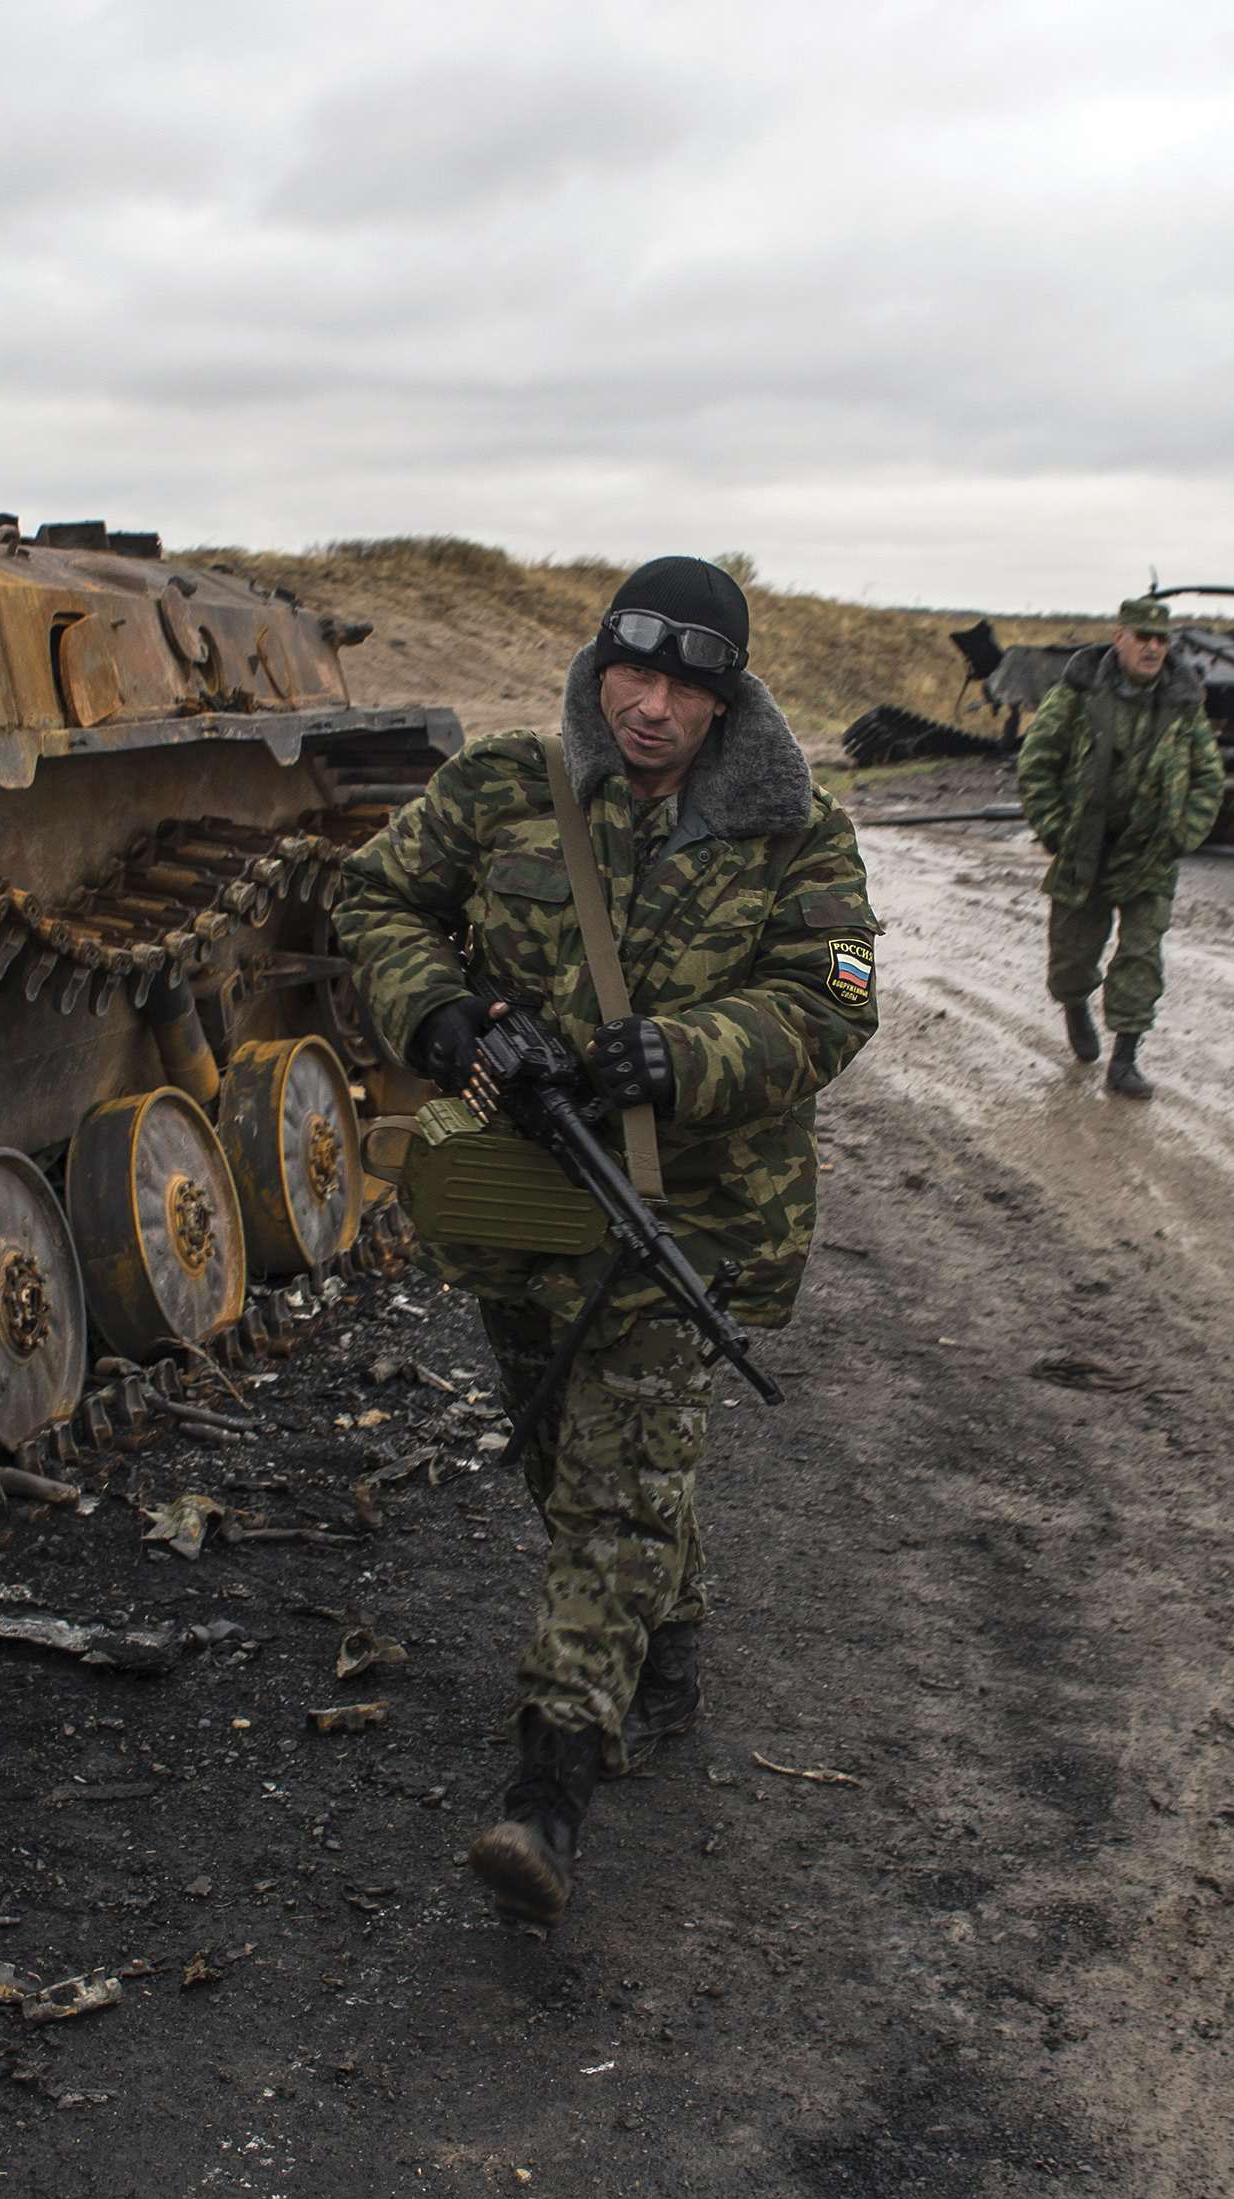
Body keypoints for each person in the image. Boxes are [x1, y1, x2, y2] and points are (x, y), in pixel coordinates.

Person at [328, 556, 880, 1924]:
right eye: (632, 677)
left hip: (682, 1210)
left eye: (685, 689)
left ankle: (553, 1782)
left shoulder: (797, 830)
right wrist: (445, 1018)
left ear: (725, 701)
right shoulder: (508, 788)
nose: (650, 708)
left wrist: (685, 1053)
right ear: (598, 669)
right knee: (556, 1443)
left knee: (625, 1472)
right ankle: (666, 1633)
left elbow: (834, 1000)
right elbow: (371, 901)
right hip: (524, 1203)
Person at [1017, 594, 1228, 1098]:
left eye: (1161, 639)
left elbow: (1208, 777)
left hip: (1151, 851)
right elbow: (1037, 762)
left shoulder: (1182, 700)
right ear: (1120, 638)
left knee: (1141, 953)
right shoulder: (1079, 692)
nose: (1153, 648)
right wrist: (1053, 827)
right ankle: (1074, 1005)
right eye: (1143, 638)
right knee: (1072, 954)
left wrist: (1182, 834)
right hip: (1085, 847)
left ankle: (1125, 1059)